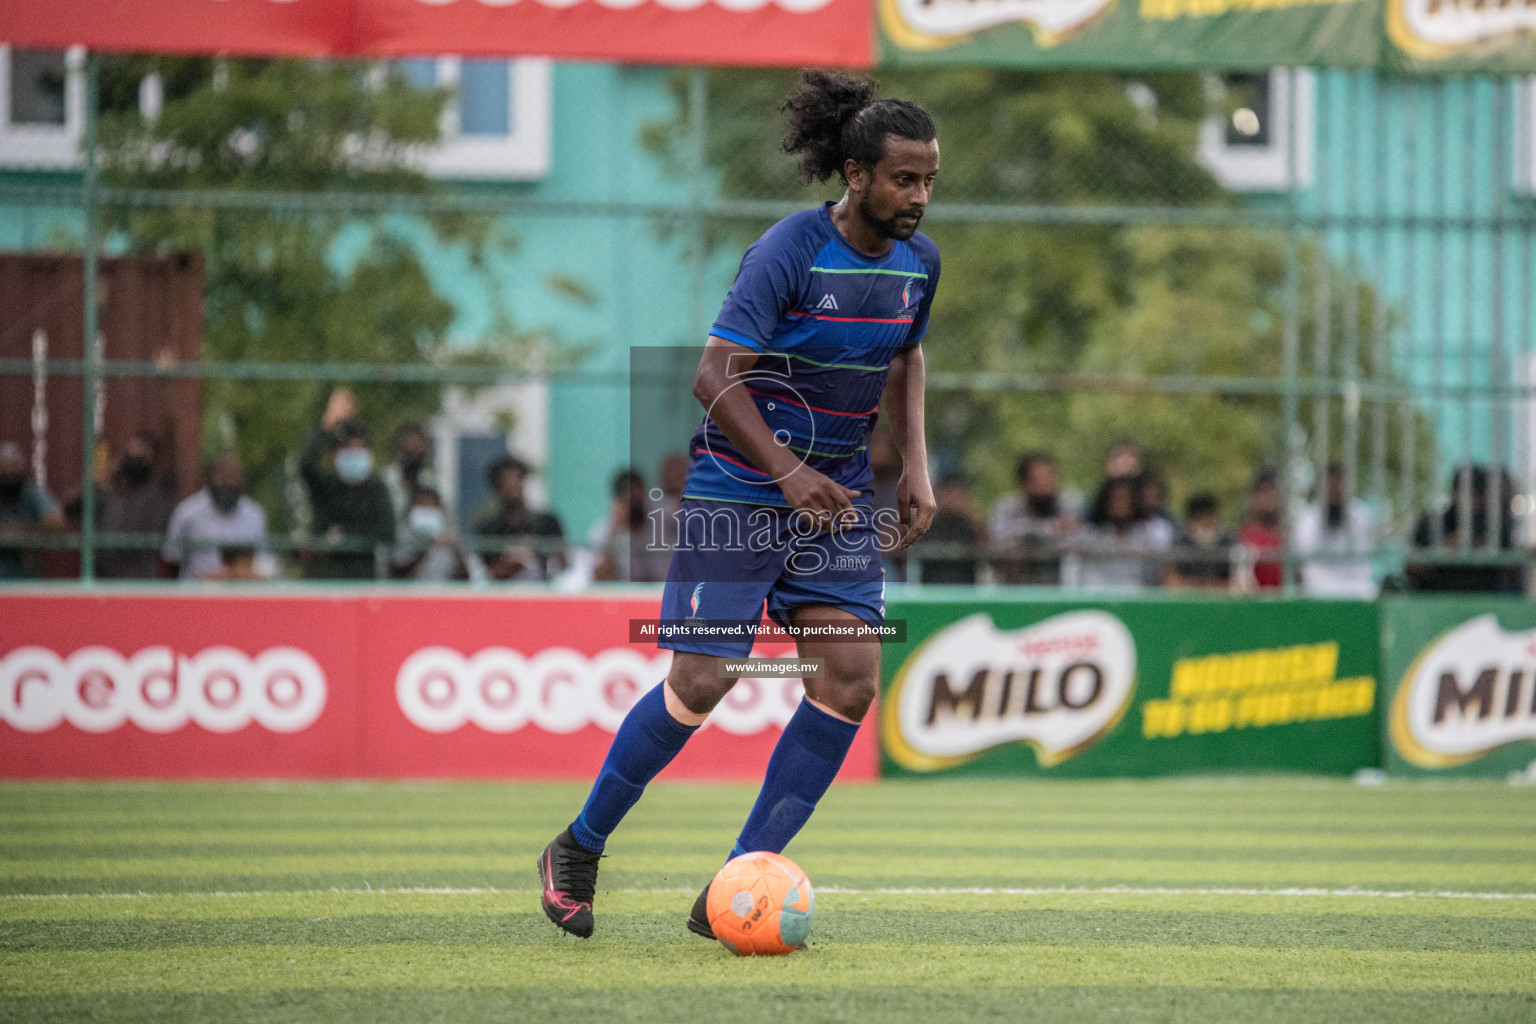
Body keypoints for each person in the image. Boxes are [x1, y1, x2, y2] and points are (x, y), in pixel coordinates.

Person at [537, 70, 940, 941]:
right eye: (904, 178)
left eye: (929, 180)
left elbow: (908, 360)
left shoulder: (920, 262)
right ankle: (578, 846)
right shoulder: (789, 251)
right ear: (855, 173)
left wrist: (915, 466)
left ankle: (736, 882)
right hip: (742, 490)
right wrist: (789, 471)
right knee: (704, 677)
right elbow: (710, 375)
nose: (918, 195)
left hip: (832, 502)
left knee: (849, 678)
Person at [298, 388, 396, 580]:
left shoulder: (377, 489)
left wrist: (342, 535)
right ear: (335, 456)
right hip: (323, 579)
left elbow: (387, 531)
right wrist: (328, 423)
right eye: (348, 450)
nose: (354, 456)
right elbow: (305, 464)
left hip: (360, 580)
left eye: (359, 450)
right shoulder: (324, 487)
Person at [1406, 465, 1522, 593]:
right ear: (1454, 492)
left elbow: (1513, 574)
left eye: (1476, 493)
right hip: (1436, 599)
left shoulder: (1495, 524)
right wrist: (1445, 547)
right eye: (1464, 492)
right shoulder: (1433, 523)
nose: (1471, 500)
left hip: (1484, 601)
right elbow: (1411, 569)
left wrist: (1486, 551)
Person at [162, 451, 273, 581]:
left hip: (241, 594)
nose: (228, 482)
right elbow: (171, 560)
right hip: (197, 593)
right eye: (223, 476)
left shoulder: (254, 514)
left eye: (234, 477)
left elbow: (264, 561)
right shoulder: (187, 512)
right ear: (209, 477)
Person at [88, 432, 180, 579]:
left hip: (137, 581)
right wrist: (99, 480)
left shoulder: (161, 490)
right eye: (130, 455)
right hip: (101, 581)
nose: (134, 461)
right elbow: (69, 508)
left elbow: (172, 451)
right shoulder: (111, 490)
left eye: (141, 457)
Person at [474, 455, 567, 581]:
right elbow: (487, 575)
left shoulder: (546, 521)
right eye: (507, 481)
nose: (514, 486)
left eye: (519, 479)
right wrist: (516, 559)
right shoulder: (489, 527)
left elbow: (564, 563)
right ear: (497, 487)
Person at [989, 451, 1075, 585]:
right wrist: (1049, 529)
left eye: (1050, 477)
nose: (1046, 485)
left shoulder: (1066, 506)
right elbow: (999, 541)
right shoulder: (1006, 508)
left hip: (1055, 591)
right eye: (1039, 479)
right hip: (1014, 590)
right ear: (1022, 483)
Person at [1293, 463, 1376, 598]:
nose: (1335, 491)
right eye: (1330, 486)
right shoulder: (1306, 521)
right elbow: (1307, 565)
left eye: (1339, 485)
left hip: (1359, 591)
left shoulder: (1361, 516)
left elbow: (1364, 560)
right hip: (1318, 593)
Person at [1073, 475, 1169, 589]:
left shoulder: (1147, 536)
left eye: (1125, 499)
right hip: (1097, 597)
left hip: (1136, 599)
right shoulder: (1090, 536)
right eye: (1115, 499)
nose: (1120, 505)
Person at [590, 468, 670, 583]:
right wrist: (616, 529)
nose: (637, 506)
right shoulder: (602, 530)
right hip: (624, 596)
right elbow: (600, 579)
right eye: (631, 500)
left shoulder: (659, 523)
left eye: (640, 499)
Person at [0, 441, 63, 580]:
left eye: (13, 472)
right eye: (4, 474)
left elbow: (57, 523)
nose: (8, 476)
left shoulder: (30, 494)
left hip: (26, 584)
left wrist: (23, 533)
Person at [391, 486, 473, 582]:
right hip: (412, 594)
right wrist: (424, 547)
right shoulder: (403, 536)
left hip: (442, 594)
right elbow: (397, 575)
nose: (426, 510)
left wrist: (455, 550)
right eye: (422, 505)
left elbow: (465, 578)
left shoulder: (449, 536)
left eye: (431, 506)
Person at [916, 471, 984, 584]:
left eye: (958, 493)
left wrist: (970, 516)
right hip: (931, 589)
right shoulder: (928, 522)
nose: (952, 497)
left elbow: (986, 546)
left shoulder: (970, 523)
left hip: (965, 588)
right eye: (948, 492)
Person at [1165, 492, 1233, 590]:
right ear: (1190, 520)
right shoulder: (1180, 543)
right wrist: (1198, 587)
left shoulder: (1227, 543)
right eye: (1201, 518)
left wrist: (1210, 587)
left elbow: (1235, 583)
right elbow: (1171, 581)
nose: (1206, 522)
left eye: (1210, 516)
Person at [384, 421, 438, 527]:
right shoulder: (385, 483)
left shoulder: (433, 481)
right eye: (410, 453)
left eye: (419, 453)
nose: (415, 459)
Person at [1238, 470, 1285, 590]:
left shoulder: (1290, 537)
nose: (1269, 497)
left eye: (1272, 491)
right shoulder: (1244, 537)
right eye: (1264, 492)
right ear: (1254, 497)